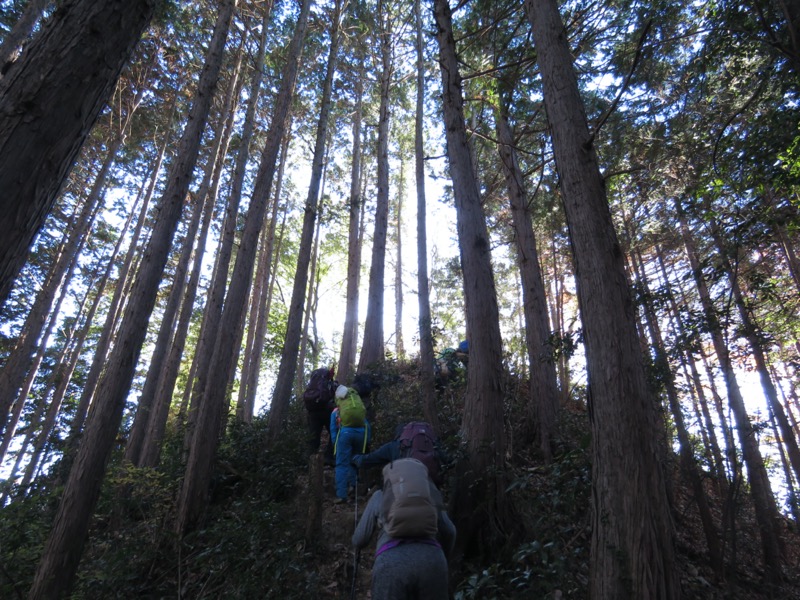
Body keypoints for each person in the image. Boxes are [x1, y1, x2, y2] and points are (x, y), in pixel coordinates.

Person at [352, 459, 456, 599]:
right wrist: (442, 557)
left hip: (390, 563)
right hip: (432, 559)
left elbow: (359, 540)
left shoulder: (379, 497)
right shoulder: (431, 497)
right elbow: (450, 531)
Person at [330, 384, 371, 503]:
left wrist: (335, 443)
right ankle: (353, 489)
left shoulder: (336, 412)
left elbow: (333, 429)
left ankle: (342, 495)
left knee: (342, 464)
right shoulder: (356, 408)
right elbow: (367, 425)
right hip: (361, 435)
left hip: (345, 434)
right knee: (354, 462)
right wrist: (366, 441)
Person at [302, 367, 337, 466]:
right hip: (327, 411)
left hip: (313, 412)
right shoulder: (329, 383)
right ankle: (329, 457)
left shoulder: (312, 385)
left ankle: (309, 460)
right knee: (334, 433)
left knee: (313, 436)